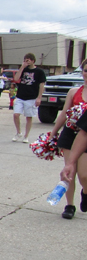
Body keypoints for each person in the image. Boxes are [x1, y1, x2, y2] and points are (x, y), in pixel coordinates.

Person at [51, 59, 87, 219]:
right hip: (70, 134)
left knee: (84, 175)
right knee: (69, 171)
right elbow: (65, 113)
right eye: (85, 70)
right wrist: (54, 132)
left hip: (85, 133)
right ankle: (69, 205)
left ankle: (85, 192)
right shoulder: (74, 92)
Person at [12, 53, 46, 143]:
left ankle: (26, 136)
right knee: (16, 114)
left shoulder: (39, 72)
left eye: (28, 60)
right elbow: (16, 78)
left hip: (31, 97)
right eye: (25, 60)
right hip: (20, 96)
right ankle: (18, 132)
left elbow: (41, 85)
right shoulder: (23, 70)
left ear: (33, 61)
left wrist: (39, 98)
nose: (27, 61)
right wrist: (22, 67)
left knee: (29, 117)